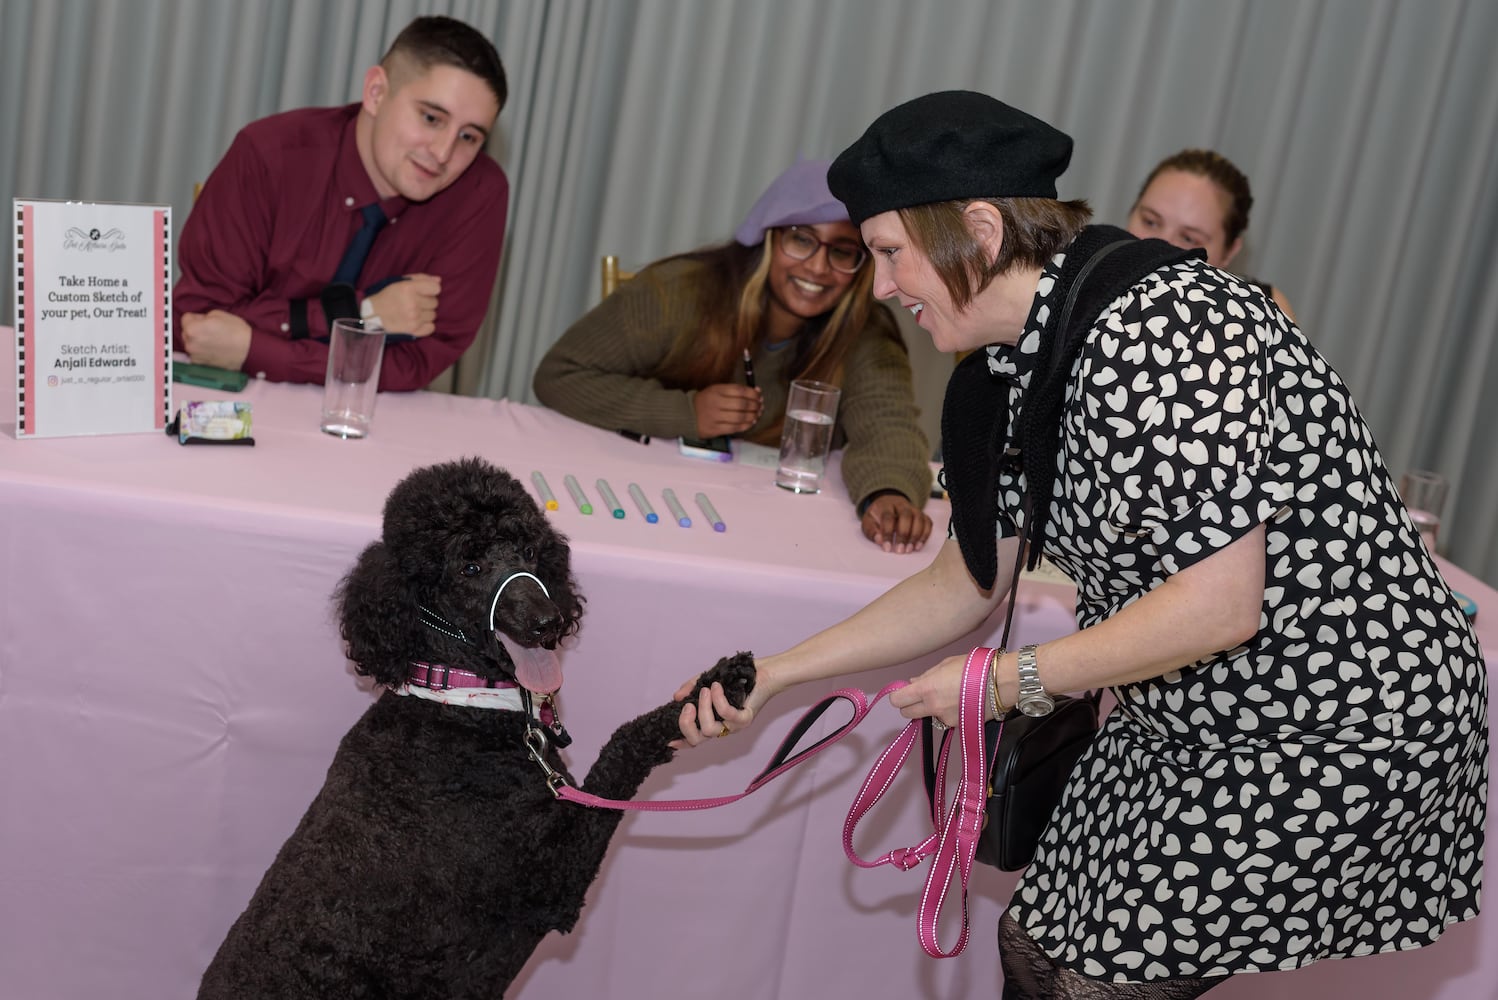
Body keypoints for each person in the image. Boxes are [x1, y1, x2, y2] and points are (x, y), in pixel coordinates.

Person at [678, 91, 1486, 999]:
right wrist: (780, 672)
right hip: (1182, 712)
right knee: (1035, 945)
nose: (886, 286)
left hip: (1334, 721)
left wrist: (1007, 681)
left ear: (977, 229)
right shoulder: (1004, 370)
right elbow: (966, 583)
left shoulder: (1160, 329)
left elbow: (1220, 601)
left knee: (1096, 983)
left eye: (890, 253)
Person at [533, 159, 934, 553]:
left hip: (778, 528)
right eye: (801, 239)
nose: (817, 267)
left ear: (862, 266)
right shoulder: (679, 293)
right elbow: (561, 375)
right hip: (653, 507)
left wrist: (887, 491)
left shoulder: (865, 329)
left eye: (843, 251)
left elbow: (888, 422)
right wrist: (686, 413)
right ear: (768, 237)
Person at [173, 15, 510, 391]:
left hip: (372, 421)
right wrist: (364, 315)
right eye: (431, 118)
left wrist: (258, 348)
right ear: (376, 92)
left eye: (469, 137)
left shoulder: (479, 194)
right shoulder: (271, 155)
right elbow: (200, 326)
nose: (444, 153)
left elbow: (417, 362)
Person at [1125, 148, 1297, 320]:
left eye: (1189, 238)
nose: (1159, 245)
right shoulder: (1098, 274)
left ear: (1229, 253)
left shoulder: (1262, 313)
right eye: (1150, 222)